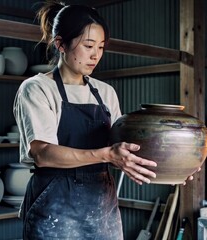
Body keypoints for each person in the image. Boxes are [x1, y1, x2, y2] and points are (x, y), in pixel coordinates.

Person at [13, 2, 159, 239]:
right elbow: (43, 153)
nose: (96, 55)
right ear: (60, 44)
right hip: (55, 203)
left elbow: (120, 151)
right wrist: (106, 154)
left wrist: (174, 167)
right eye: (88, 46)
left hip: (101, 205)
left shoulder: (105, 92)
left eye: (101, 47)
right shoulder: (37, 89)